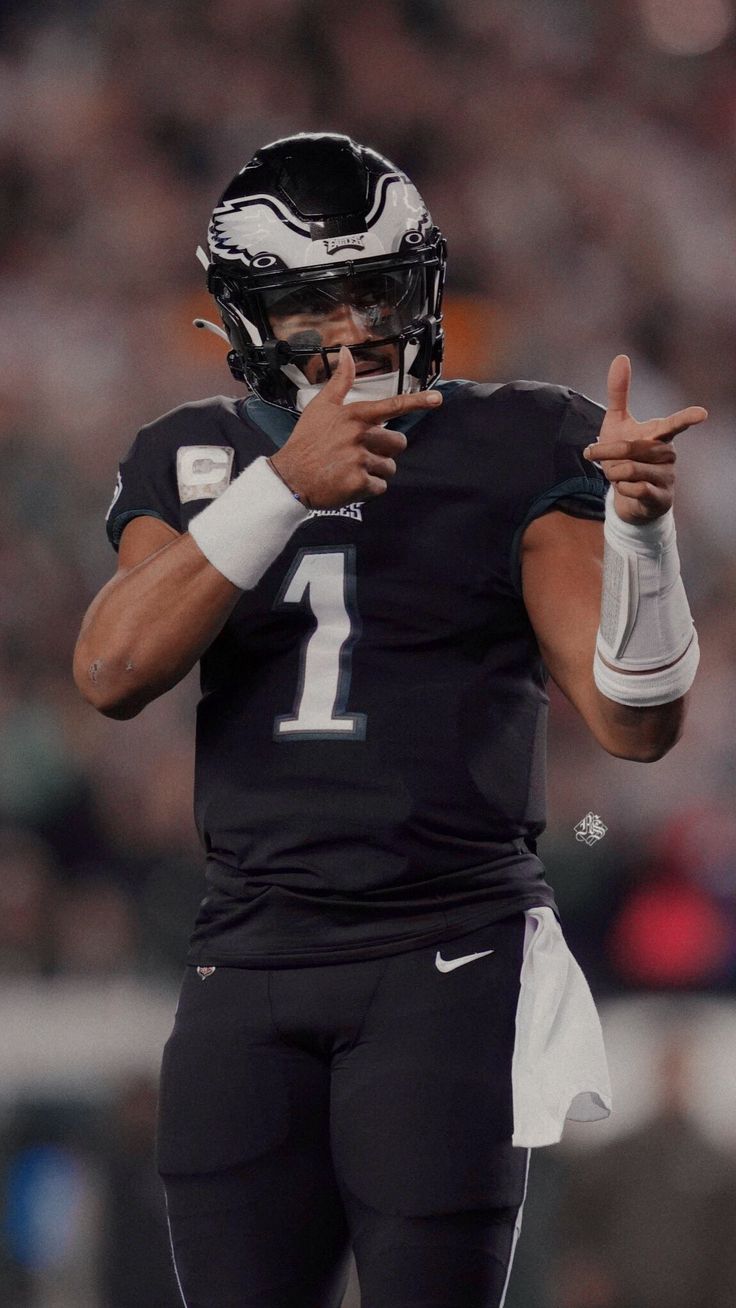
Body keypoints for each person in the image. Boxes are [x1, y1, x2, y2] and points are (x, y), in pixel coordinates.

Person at [73, 133, 706, 1308]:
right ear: (252, 317)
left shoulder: (519, 438)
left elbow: (635, 725)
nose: (357, 324)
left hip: (444, 956)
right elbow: (111, 669)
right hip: (246, 957)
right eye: (317, 298)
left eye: (378, 286)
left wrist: (641, 540)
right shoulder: (194, 455)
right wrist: (280, 489)